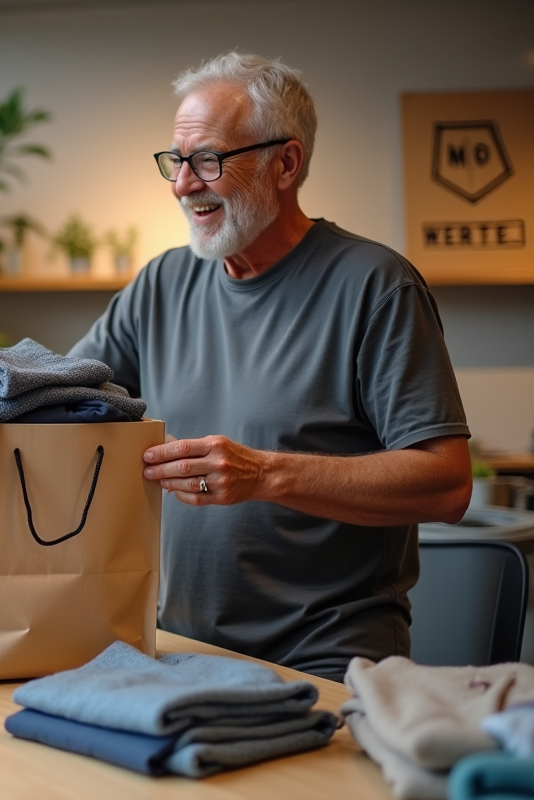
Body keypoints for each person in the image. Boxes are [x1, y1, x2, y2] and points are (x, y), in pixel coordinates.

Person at [69, 52, 471, 682]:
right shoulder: (163, 284)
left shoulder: (375, 285)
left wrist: (266, 474)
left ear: (286, 163)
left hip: (330, 662)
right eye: (176, 161)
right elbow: (63, 398)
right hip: (182, 651)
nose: (182, 184)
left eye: (208, 160)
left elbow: (446, 485)